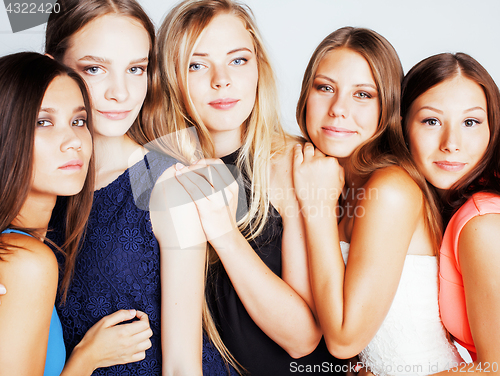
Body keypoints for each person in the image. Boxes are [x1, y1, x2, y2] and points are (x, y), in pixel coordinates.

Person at [45, 1, 233, 374]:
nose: (121, 93)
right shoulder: (43, 180)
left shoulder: (167, 184)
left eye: (136, 69)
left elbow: (182, 365)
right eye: (95, 69)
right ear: (53, 68)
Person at [157, 1, 344, 375]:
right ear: (170, 76)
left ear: (259, 67)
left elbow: (303, 337)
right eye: (197, 64)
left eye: (238, 60)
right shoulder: (156, 165)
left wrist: (224, 233)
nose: (221, 80)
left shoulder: (292, 163)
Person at [292, 27, 463, 375]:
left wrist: (317, 207)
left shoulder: (391, 187)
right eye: (325, 88)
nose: (338, 109)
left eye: (363, 95)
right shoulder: (340, 181)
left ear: (388, 106)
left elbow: (342, 340)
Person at [0, 52, 152, 376]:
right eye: (43, 122)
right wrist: (87, 358)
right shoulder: (26, 262)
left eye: (79, 121)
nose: (73, 142)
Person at [402, 52, 500, 373]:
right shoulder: (445, 207)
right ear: (401, 125)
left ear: (493, 129)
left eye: (470, 122)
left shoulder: (482, 224)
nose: (451, 143)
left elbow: (494, 368)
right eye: (431, 121)